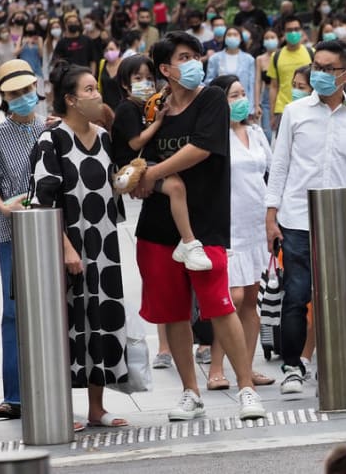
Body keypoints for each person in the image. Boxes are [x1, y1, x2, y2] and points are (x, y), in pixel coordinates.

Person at [131, 31, 265, 421]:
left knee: (220, 304)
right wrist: (139, 178)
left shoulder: (211, 100)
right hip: (158, 224)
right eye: (185, 57)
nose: (195, 63)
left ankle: (246, 388)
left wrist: (153, 173)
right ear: (165, 69)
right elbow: (136, 152)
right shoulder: (155, 110)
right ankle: (190, 391)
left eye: (197, 56)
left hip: (204, 223)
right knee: (174, 312)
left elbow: (203, 147)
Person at [266, 40, 346, 395]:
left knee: (339, 296)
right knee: (297, 294)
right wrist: (272, 216)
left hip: (340, 221)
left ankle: (334, 365)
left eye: (326, 69)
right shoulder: (296, 113)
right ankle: (292, 366)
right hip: (297, 218)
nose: (318, 74)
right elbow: (279, 165)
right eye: (315, 66)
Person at [30, 61, 129, 429]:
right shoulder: (51, 139)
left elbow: (111, 187)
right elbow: (43, 199)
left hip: (104, 245)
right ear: (70, 99)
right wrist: (67, 248)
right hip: (70, 245)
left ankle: (96, 407)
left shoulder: (103, 137)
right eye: (88, 90)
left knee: (100, 322)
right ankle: (61, 407)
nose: (96, 95)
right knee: (68, 326)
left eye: (96, 88)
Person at [0, 61, 44, 420]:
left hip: (54, 229)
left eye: (26, 90)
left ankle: (57, 384)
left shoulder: (53, 128)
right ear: (3, 96)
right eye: (14, 93)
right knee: (14, 310)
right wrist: (6, 207)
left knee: (55, 307)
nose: (23, 98)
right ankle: (15, 395)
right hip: (13, 231)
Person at [204, 75, 275, 390]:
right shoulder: (213, 137)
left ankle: (246, 368)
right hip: (226, 225)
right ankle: (216, 368)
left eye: (244, 93)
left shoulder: (257, 133)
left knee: (251, 299)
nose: (241, 100)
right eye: (234, 95)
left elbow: (272, 172)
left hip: (256, 223)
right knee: (229, 298)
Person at [110, 55, 212, 272]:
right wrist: (158, 123)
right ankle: (188, 241)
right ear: (125, 84)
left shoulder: (147, 105)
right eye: (138, 78)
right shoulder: (127, 109)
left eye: (149, 77)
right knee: (176, 187)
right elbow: (136, 141)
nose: (145, 83)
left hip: (146, 162)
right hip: (132, 166)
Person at [266, 15, 313, 133]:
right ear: (283, 33)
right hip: (282, 110)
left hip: (308, 108)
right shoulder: (276, 56)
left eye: (296, 29)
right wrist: (272, 114)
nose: (293, 33)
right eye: (289, 30)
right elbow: (273, 86)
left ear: (302, 31)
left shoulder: (311, 53)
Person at [205, 26, 257, 113]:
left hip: (242, 105)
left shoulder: (249, 59)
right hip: (220, 104)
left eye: (235, 35)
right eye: (229, 35)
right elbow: (209, 82)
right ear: (224, 38)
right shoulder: (214, 58)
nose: (232, 37)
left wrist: (251, 108)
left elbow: (251, 85)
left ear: (241, 39)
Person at [257, 29, 279, 141]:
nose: (270, 40)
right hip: (266, 99)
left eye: (272, 37)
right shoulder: (260, 59)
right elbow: (257, 82)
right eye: (267, 38)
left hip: (282, 96)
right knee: (267, 134)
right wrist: (256, 104)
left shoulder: (281, 56)